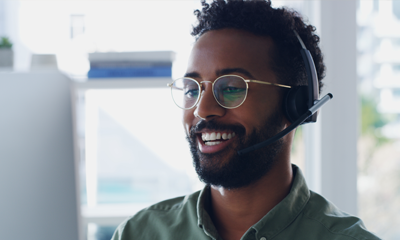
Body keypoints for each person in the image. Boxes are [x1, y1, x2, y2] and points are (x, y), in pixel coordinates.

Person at [112, 1, 380, 239]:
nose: (202, 110)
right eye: (193, 89)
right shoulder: (138, 233)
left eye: (231, 87)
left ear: (296, 106)